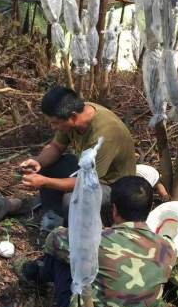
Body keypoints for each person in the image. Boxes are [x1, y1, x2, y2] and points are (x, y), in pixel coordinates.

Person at [20, 175, 178, 307]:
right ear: (149, 209)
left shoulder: (97, 240)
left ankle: (33, 274)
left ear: (114, 209)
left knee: (63, 256)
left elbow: (54, 238)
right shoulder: (168, 249)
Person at [19, 86, 136, 225]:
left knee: (73, 200)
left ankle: (72, 231)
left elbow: (85, 182)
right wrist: (38, 162)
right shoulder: (73, 115)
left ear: (73, 116)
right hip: (89, 171)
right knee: (46, 166)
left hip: (112, 185)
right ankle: (54, 215)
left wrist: (45, 181)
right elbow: (56, 146)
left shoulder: (104, 135)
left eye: (55, 123)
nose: (53, 127)